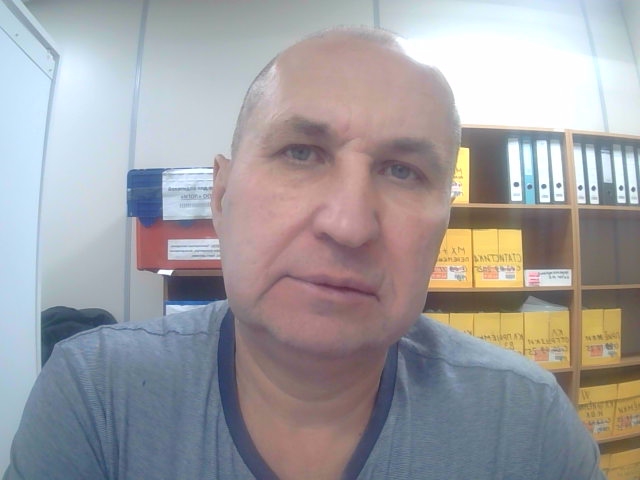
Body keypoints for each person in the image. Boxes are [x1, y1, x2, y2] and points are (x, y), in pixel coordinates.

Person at [4, 26, 604, 480]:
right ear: (221, 197)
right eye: (301, 153)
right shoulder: (96, 397)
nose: (349, 225)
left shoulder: (526, 426)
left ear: (442, 228)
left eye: (402, 171)